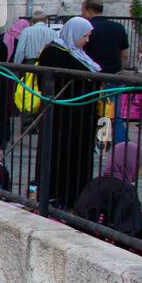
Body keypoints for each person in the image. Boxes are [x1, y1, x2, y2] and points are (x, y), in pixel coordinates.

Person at [35, 17, 101, 208]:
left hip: (81, 117)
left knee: (78, 158)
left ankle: (76, 196)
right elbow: (52, 82)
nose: (87, 40)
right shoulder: (54, 52)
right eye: (85, 36)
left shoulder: (77, 53)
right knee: (59, 156)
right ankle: (56, 195)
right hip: (63, 118)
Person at [73, 142, 142, 242]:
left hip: (85, 233)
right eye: (140, 164)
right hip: (105, 240)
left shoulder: (96, 181)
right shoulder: (124, 189)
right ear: (131, 163)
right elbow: (130, 231)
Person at [80, 0, 129, 74]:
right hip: (114, 73)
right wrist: (120, 71)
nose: (81, 14)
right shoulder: (119, 27)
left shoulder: (85, 27)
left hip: (91, 73)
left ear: (89, 11)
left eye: (83, 12)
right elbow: (125, 55)